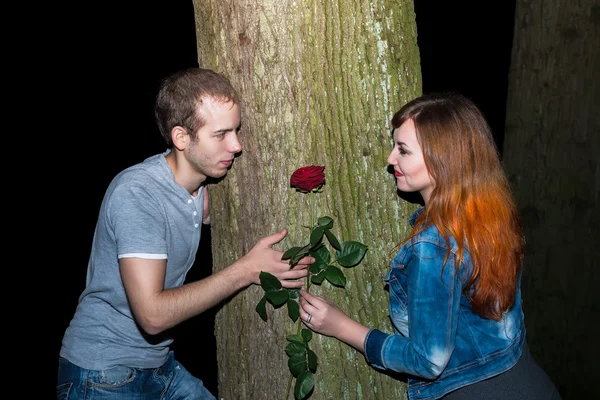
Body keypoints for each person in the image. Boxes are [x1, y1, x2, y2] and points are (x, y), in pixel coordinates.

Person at [57, 67, 314, 400]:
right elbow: (152, 315)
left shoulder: (201, 189)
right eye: (221, 134)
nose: (236, 146)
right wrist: (246, 270)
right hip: (102, 373)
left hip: (159, 365)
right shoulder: (138, 194)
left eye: (236, 130)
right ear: (181, 138)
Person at [299, 92, 561, 399]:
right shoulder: (493, 218)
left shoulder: (434, 245)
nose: (390, 159)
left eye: (403, 151)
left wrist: (341, 326)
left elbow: (428, 360)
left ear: (441, 161)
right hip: (529, 382)